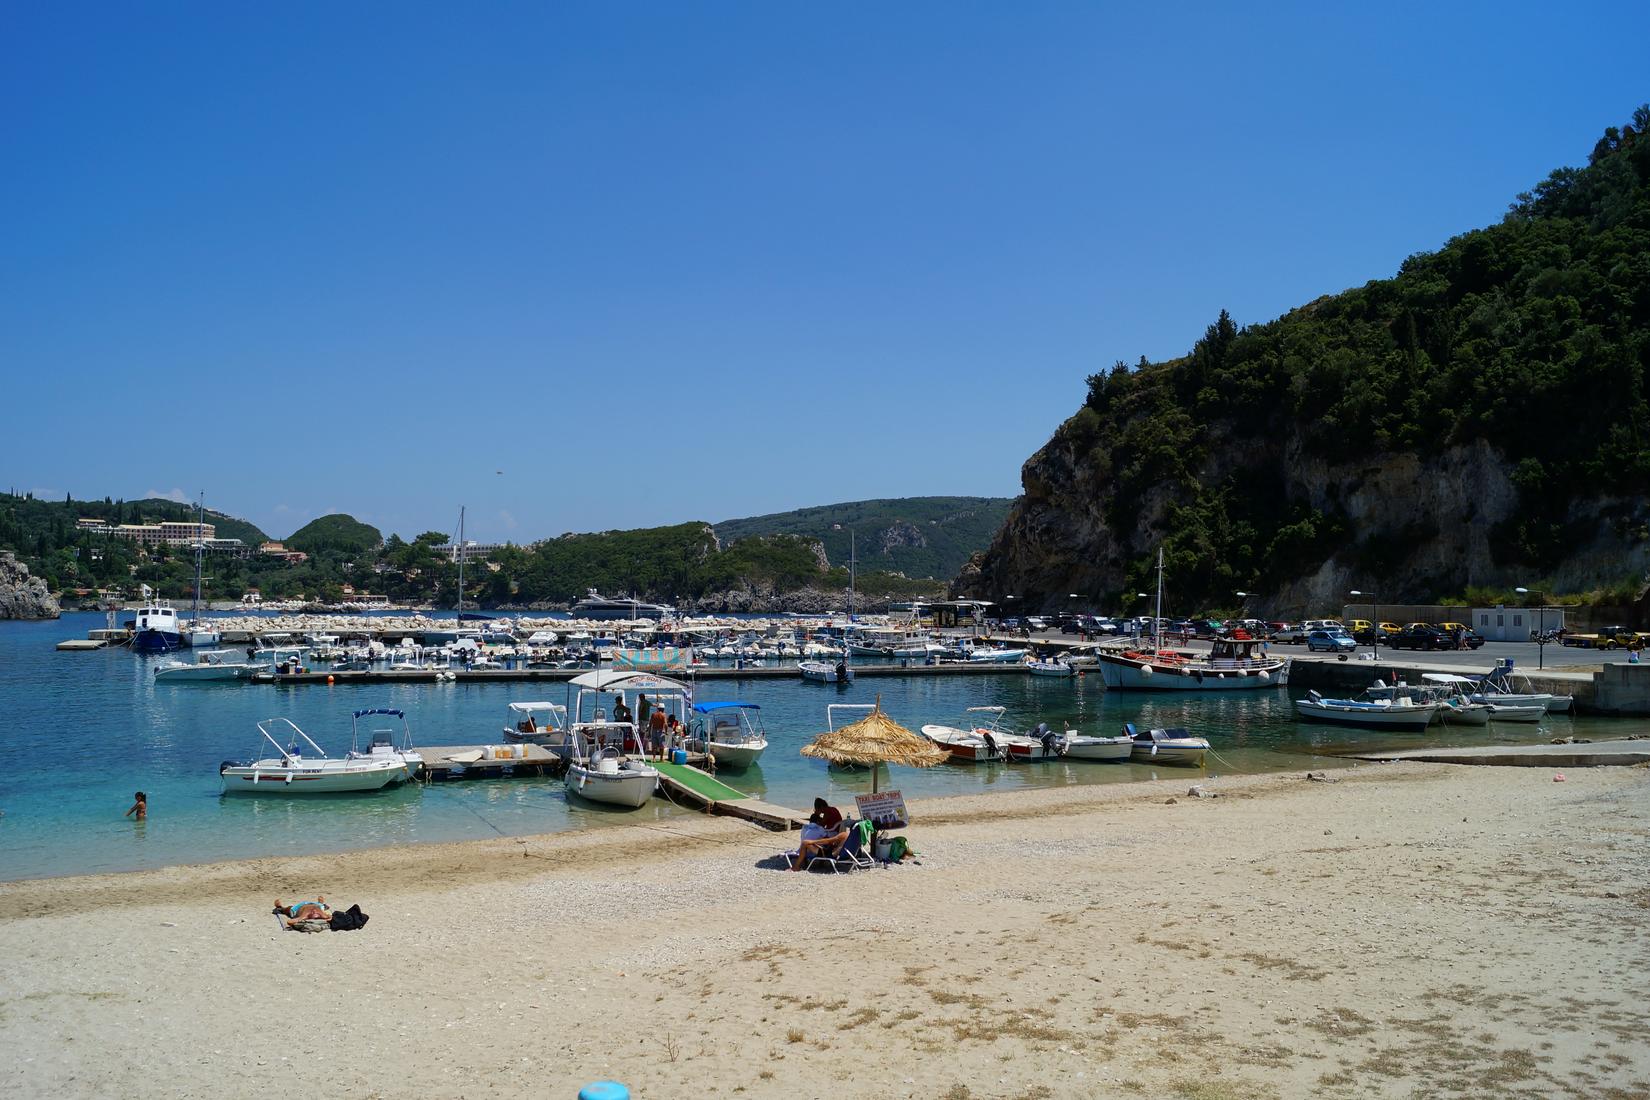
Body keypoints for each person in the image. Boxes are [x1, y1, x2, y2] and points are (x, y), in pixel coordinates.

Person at [792, 798, 849, 870]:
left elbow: (820, 825)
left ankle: (798, 865)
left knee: (811, 838)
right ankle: (804, 862)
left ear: (821, 807)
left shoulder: (827, 812)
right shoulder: (832, 809)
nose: (820, 812)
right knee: (814, 837)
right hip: (833, 836)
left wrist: (816, 815)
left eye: (818, 809)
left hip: (832, 833)